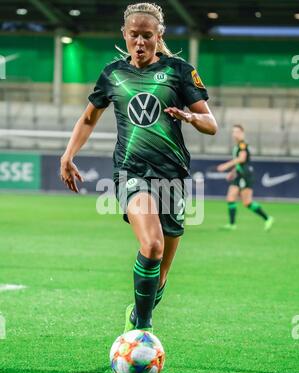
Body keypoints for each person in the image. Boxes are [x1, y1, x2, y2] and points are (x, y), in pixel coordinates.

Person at [60, 2, 217, 334]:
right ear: (125, 35)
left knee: (160, 274)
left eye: (148, 35)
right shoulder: (114, 74)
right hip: (131, 173)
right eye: (134, 35)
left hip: (172, 177)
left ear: (159, 36)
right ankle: (141, 331)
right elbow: (89, 118)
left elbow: (211, 124)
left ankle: (140, 312)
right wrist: (68, 155)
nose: (141, 42)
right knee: (152, 245)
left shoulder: (178, 71)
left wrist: (189, 116)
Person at [217, 124, 274, 231]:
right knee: (230, 198)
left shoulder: (243, 144)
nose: (235, 134)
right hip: (239, 174)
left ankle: (268, 218)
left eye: (238, 131)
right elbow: (239, 163)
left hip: (245, 175)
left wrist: (226, 165)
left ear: (242, 133)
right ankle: (232, 224)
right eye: (234, 132)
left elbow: (242, 159)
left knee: (247, 202)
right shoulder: (237, 145)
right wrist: (232, 172)